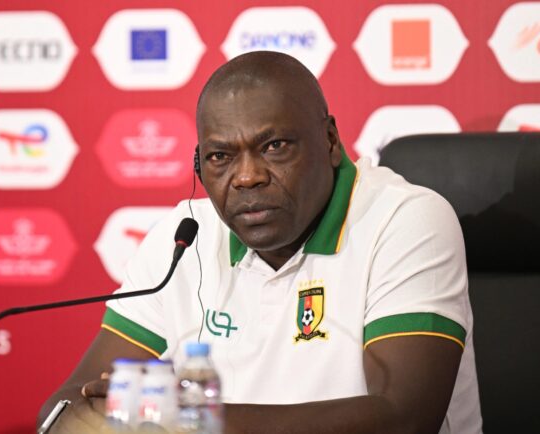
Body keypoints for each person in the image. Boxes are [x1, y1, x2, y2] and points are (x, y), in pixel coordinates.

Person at [38, 51, 482, 433]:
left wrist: (191, 420)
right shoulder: (183, 240)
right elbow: (64, 409)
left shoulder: (403, 220)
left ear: (330, 141)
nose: (247, 176)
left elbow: (403, 418)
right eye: (220, 156)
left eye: (274, 146)